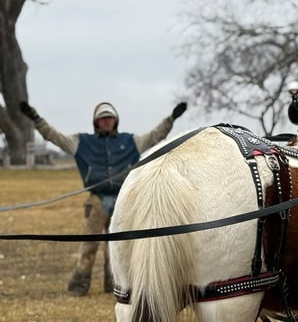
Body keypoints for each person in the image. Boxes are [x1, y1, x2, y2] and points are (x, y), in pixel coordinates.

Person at [19, 100, 187, 296]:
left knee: (118, 245)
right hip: (96, 201)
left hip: (122, 200)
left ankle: (114, 284)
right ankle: (79, 286)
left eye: (109, 118)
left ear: (115, 120)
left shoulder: (131, 141)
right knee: (89, 244)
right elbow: (54, 136)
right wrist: (36, 119)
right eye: (102, 118)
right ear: (96, 122)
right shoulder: (81, 142)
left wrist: (172, 118)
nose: (106, 121)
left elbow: (156, 135)